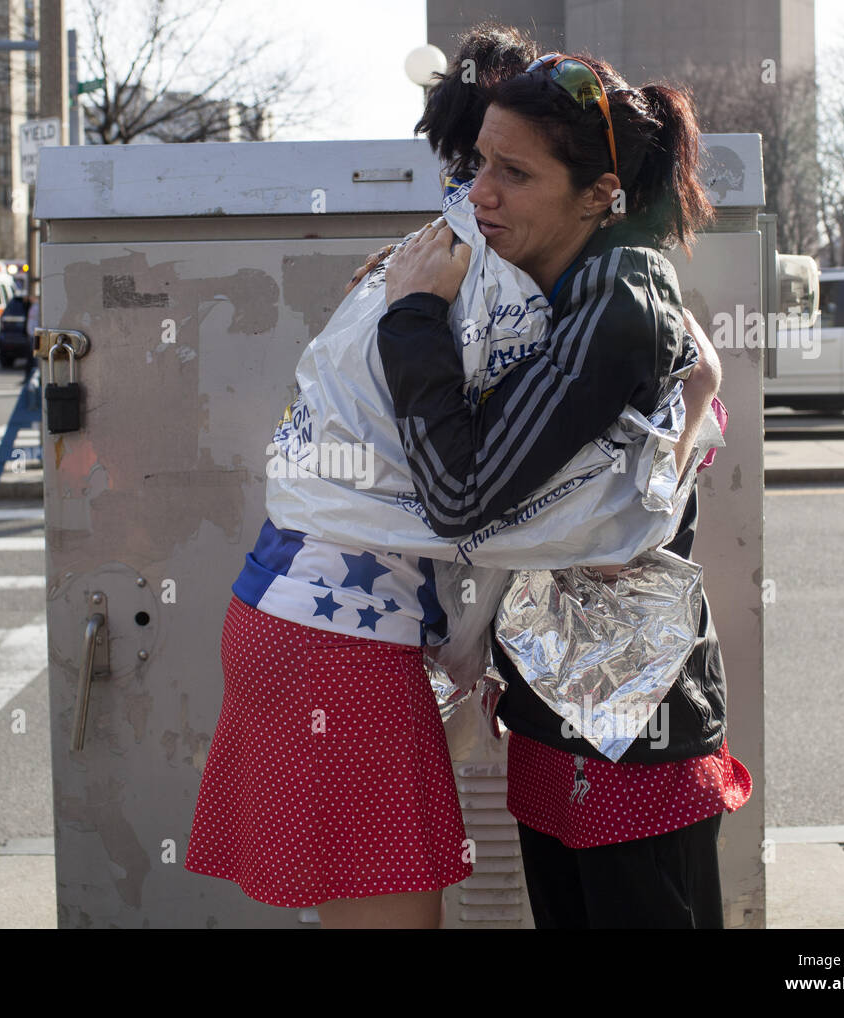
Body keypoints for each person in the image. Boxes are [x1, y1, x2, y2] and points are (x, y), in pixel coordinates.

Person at [184, 26, 563, 931]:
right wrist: (473, 634)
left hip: (286, 609)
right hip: (342, 646)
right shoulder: (496, 285)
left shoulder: (417, 254)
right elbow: (512, 494)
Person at [375, 49, 749, 928]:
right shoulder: (565, 284)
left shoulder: (618, 294)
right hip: (564, 705)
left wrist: (413, 316)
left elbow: (461, 493)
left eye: (513, 173)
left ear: (598, 194)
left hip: (629, 731)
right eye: (476, 167)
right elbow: (705, 372)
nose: (479, 195)